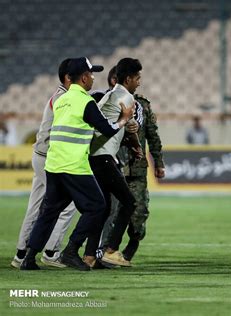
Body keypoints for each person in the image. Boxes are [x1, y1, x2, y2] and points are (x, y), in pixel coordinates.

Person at [20, 57, 134, 271]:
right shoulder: (85, 102)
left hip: (54, 165)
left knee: (49, 212)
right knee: (98, 207)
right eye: (91, 74)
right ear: (83, 78)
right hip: (74, 166)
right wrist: (124, 118)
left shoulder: (61, 100)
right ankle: (71, 251)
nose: (93, 78)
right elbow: (108, 129)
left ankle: (29, 258)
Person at [11, 59, 77, 269]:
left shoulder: (58, 96)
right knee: (68, 202)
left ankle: (21, 254)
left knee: (36, 205)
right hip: (50, 158)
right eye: (86, 74)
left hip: (40, 154)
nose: (89, 78)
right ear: (69, 77)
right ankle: (50, 251)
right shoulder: (65, 98)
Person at [84, 57, 143, 268]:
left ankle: (89, 256)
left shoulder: (108, 95)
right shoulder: (126, 98)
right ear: (128, 79)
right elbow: (131, 126)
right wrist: (137, 147)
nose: (139, 82)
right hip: (105, 158)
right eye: (137, 78)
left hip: (93, 157)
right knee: (129, 202)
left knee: (104, 206)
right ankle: (111, 250)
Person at [102, 93, 165, 263]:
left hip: (137, 169)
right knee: (112, 211)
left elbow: (153, 135)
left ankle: (133, 242)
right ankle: (106, 250)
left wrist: (158, 162)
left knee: (139, 210)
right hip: (114, 167)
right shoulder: (107, 104)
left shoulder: (142, 105)